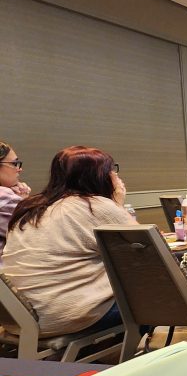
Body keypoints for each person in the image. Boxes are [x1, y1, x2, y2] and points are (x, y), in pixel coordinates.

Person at [2, 146, 134, 335]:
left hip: (19, 317)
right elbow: (145, 253)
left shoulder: (29, 207)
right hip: (67, 316)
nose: (115, 176)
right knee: (161, 297)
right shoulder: (94, 206)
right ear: (99, 176)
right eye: (111, 170)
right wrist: (116, 204)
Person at [0, 141, 31, 259]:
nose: (19, 169)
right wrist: (23, 202)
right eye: (14, 163)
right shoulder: (5, 197)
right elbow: (33, 234)